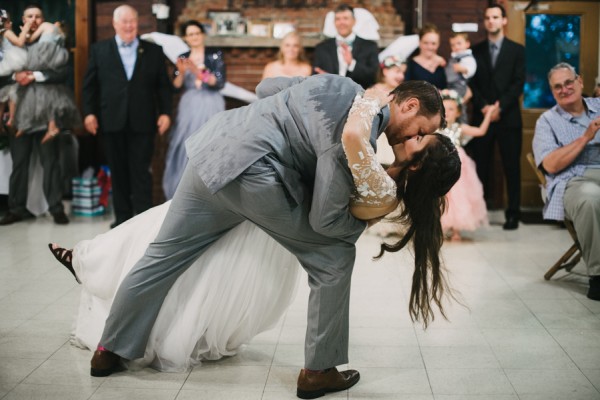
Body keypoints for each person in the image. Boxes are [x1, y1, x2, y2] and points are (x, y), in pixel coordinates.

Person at [72, 75, 458, 399]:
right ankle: (318, 370)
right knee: (333, 258)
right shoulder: (358, 140)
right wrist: (356, 226)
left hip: (213, 151)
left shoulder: (339, 83)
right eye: (421, 130)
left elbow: (266, 87)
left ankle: (109, 350)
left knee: (163, 256)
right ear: (408, 106)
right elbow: (324, 221)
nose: (412, 138)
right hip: (256, 177)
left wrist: (286, 122)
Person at [82, 5, 172, 228]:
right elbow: (90, 87)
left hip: (143, 121)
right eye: (124, 21)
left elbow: (163, 87)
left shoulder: (153, 51)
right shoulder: (99, 50)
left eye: (132, 21)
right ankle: (122, 219)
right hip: (111, 120)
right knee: (118, 170)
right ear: (115, 24)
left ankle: (144, 220)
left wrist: (166, 113)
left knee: (141, 171)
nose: (129, 25)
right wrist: (89, 113)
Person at [532, 62, 600, 301]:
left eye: (568, 82)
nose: (564, 89)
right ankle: (598, 276)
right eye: (557, 87)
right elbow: (550, 164)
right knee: (590, 198)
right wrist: (586, 137)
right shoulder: (547, 121)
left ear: (580, 81)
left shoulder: (599, 106)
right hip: (572, 180)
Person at [0, 5, 72, 226]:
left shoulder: (51, 40)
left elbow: (62, 71)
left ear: (43, 19)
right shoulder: (13, 42)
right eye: (29, 16)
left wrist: (34, 76)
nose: (34, 19)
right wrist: (16, 75)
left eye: (38, 16)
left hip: (44, 111)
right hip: (20, 111)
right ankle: (16, 208)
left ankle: (56, 208)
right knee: (19, 162)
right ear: (22, 20)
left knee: (50, 161)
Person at [468, 3, 525, 230]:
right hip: (481, 118)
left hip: (508, 118)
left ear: (504, 21)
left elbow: (518, 82)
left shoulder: (517, 50)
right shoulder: (475, 51)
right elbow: (471, 82)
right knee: (480, 166)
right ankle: (478, 213)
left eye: (495, 17)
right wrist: (484, 106)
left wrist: (501, 107)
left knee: (512, 167)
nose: (491, 21)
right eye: (487, 18)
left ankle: (513, 214)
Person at [162, 20, 225, 200]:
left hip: (211, 102)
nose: (194, 37)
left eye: (197, 33)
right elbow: (175, 86)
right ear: (185, 38)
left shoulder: (215, 54)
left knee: (212, 142)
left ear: (202, 35)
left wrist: (197, 71)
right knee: (186, 142)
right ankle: (184, 191)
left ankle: (212, 191)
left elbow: (218, 82)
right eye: (190, 34)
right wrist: (181, 72)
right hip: (190, 103)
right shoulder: (182, 56)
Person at [439, 89, 496, 241]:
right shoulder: (435, 127)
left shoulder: (460, 128)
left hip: (458, 165)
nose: (447, 112)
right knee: (441, 196)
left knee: (458, 196)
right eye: (444, 109)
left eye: (451, 109)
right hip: (439, 165)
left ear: (458, 113)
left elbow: (481, 131)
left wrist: (489, 114)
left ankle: (456, 229)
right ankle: (441, 227)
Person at [13, 17, 79, 141]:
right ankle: (51, 126)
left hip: (44, 55)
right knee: (50, 94)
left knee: (46, 90)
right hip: (54, 58)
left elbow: (30, 39)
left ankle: (25, 125)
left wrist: (25, 32)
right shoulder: (61, 37)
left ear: (57, 24)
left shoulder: (47, 26)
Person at [312, 4, 379, 89]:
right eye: (338, 19)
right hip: (329, 95)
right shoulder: (321, 48)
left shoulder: (370, 46)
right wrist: (323, 78)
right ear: (334, 22)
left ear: (354, 21)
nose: (341, 22)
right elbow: (315, 75)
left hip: (359, 97)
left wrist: (352, 63)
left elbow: (373, 77)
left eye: (345, 18)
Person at [372, 54, 406, 166]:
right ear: (385, 71)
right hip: (378, 132)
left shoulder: (402, 93)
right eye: (397, 71)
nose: (401, 76)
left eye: (402, 73)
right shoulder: (373, 91)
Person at [0, 9, 29, 129]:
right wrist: (26, 28)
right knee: (12, 91)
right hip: (7, 66)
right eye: (8, 21)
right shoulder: (5, 32)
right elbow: (19, 42)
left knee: (3, 96)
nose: (11, 23)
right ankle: (12, 119)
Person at [404, 23, 447, 90]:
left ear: (438, 44)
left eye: (433, 43)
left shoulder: (444, 63)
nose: (429, 47)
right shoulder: (410, 65)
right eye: (426, 43)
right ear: (419, 42)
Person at [445, 32, 476, 105]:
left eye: (459, 43)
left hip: (460, 85)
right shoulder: (454, 56)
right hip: (450, 85)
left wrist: (463, 69)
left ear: (467, 44)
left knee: (458, 104)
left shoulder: (467, 57)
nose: (456, 47)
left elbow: (472, 68)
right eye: (453, 45)